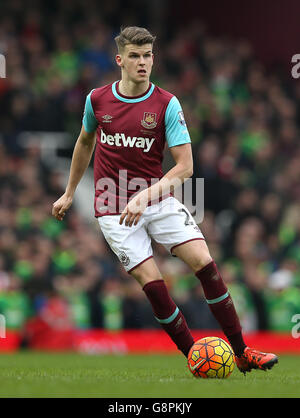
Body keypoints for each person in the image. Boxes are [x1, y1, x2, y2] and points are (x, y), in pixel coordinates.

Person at [52, 26, 278, 374]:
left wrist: (145, 196)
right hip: (112, 206)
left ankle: (242, 351)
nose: (142, 63)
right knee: (153, 284)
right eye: (135, 56)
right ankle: (194, 356)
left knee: (205, 263)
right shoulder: (97, 100)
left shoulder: (166, 104)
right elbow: (84, 143)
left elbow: (185, 167)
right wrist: (69, 192)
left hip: (155, 196)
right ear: (120, 60)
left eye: (147, 56)